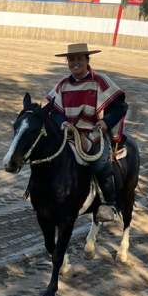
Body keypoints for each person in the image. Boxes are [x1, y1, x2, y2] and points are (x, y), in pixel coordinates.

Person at [46, 43, 128, 223]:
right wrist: (63, 123)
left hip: (94, 132)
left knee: (99, 162)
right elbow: (53, 110)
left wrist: (106, 123)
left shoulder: (100, 81)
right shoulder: (63, 85)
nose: (75, 62)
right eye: (71, 59)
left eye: (79, 59)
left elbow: (121, 106)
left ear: (87, 60)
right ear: (67, 62)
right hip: (68, 133)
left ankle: (109, 203)